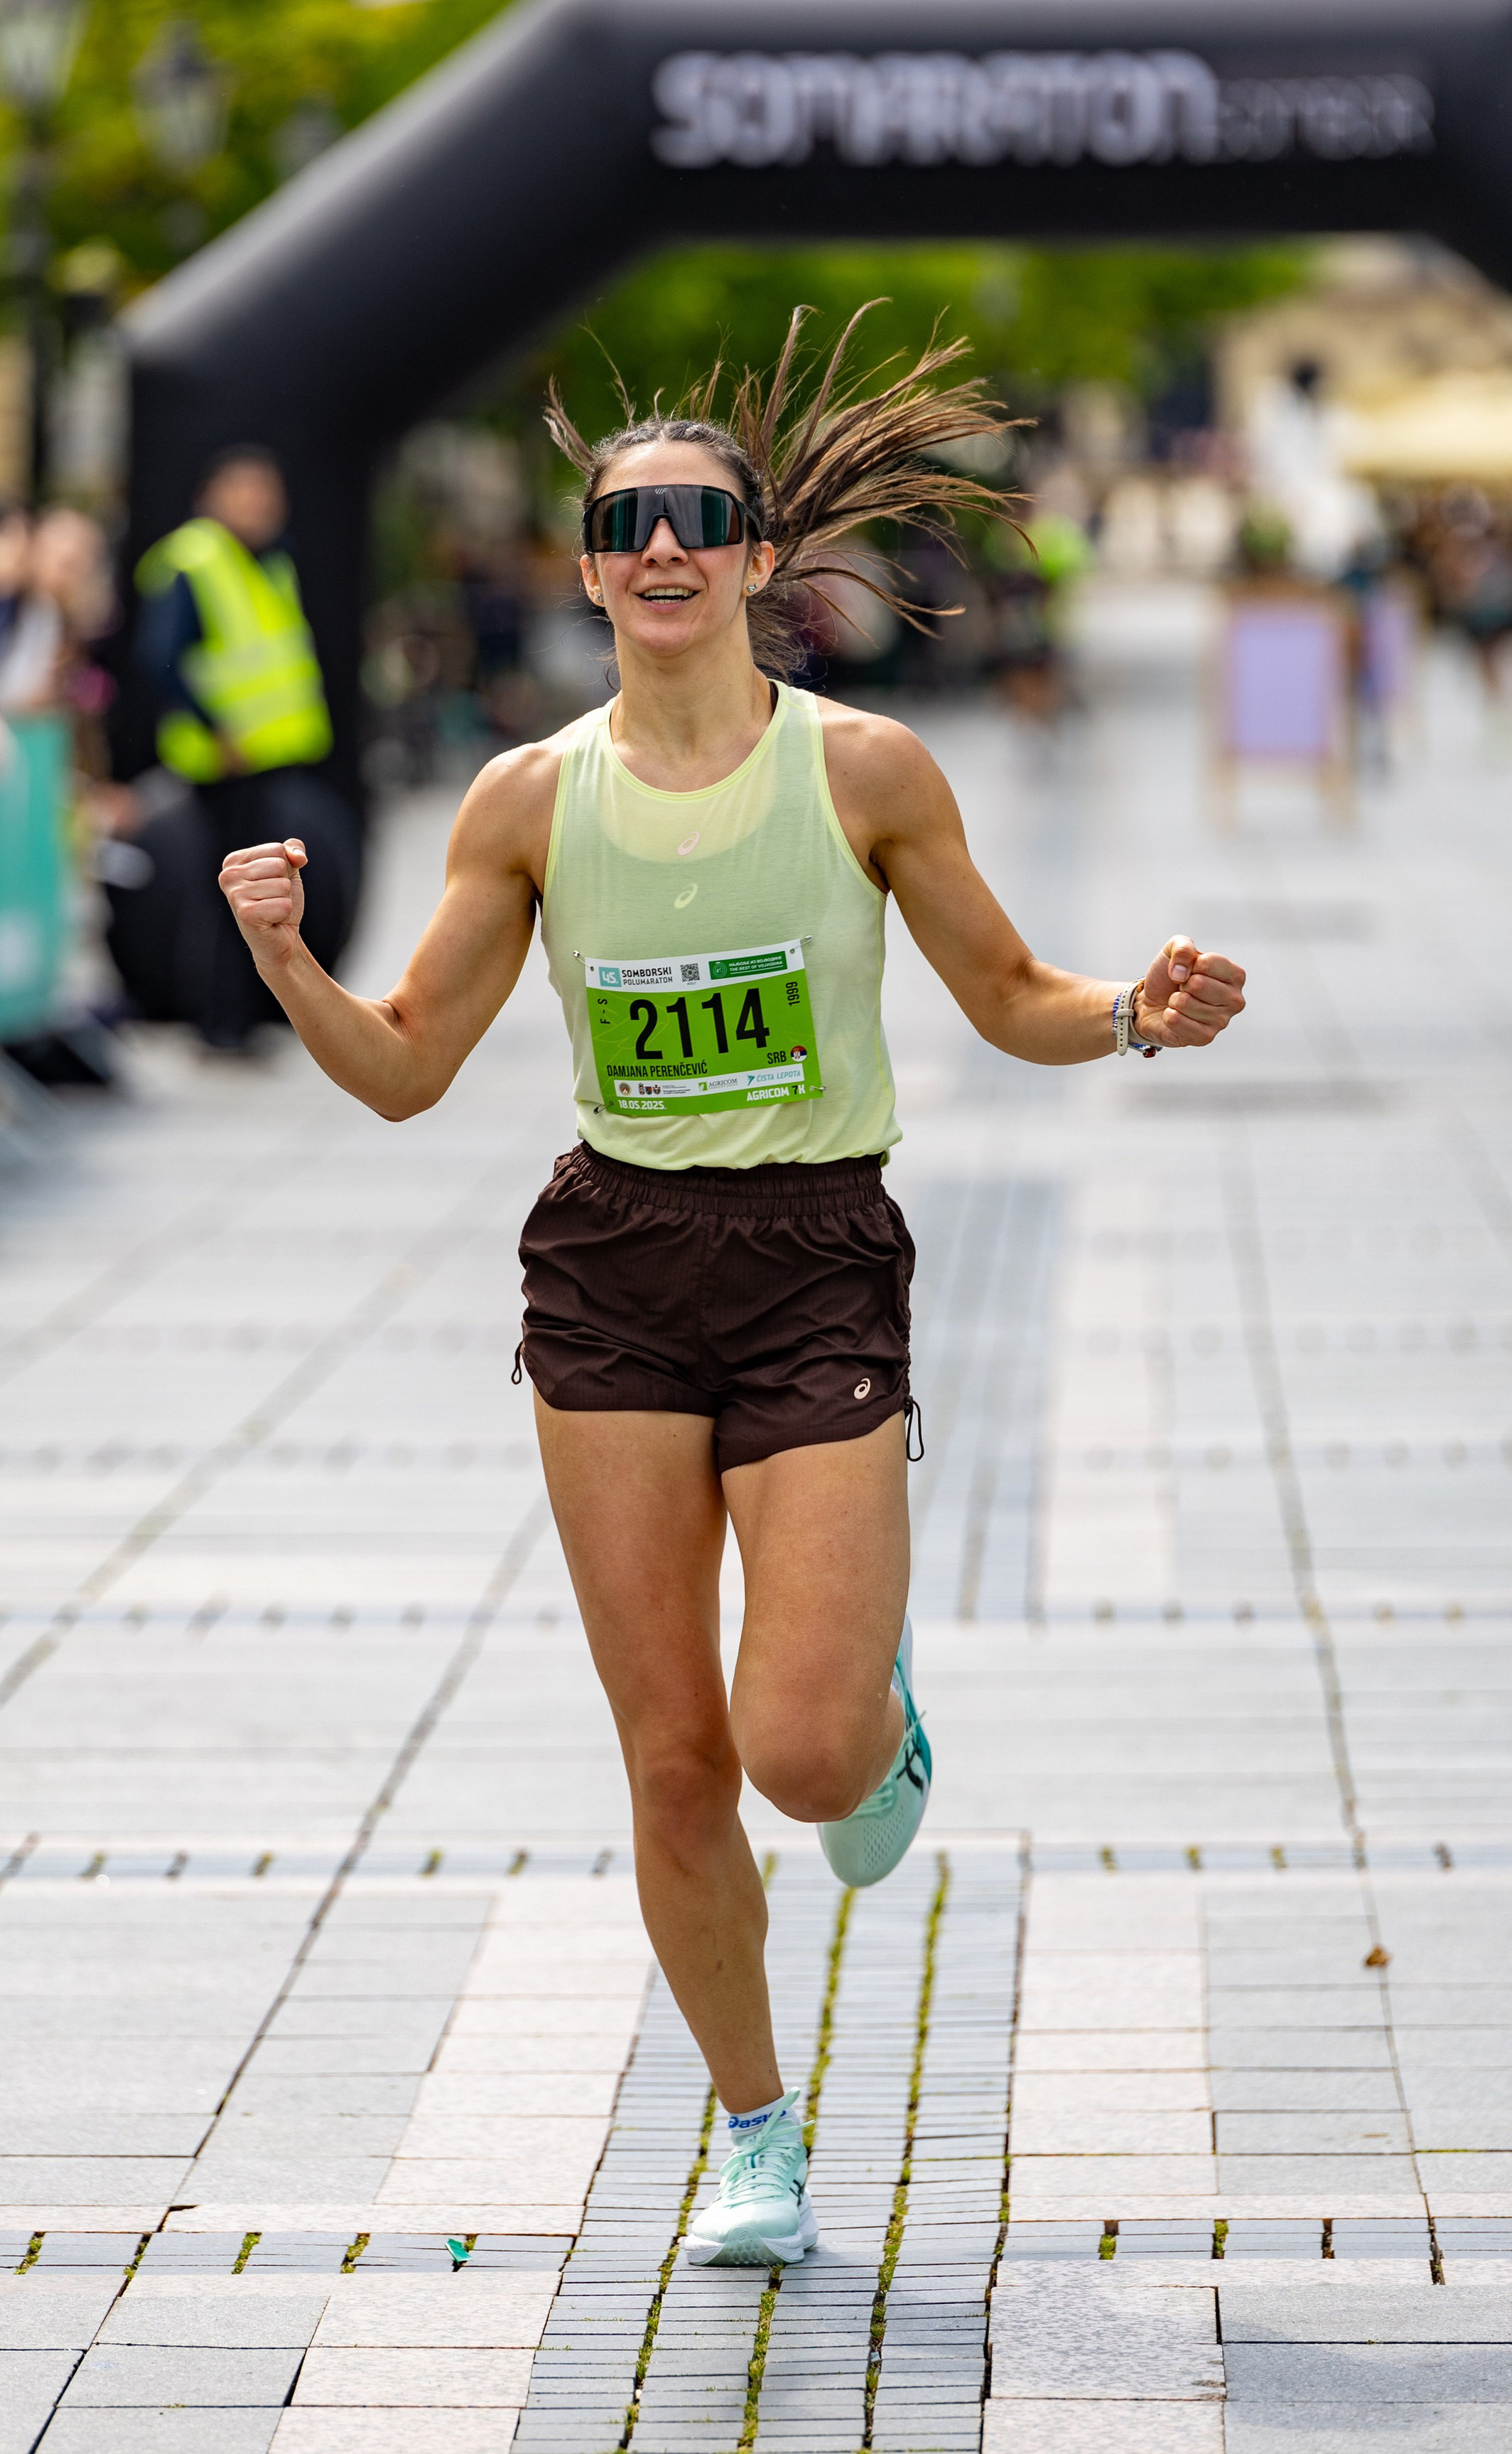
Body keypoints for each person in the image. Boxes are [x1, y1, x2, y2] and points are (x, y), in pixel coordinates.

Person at [217, 315, 1247, 2270]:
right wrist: (284, 965)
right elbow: (409, 1065)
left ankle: (879, 1722)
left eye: (702, 518)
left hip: (813, 1265)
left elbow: (1011, 999)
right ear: (591, 565)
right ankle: (757, 2133)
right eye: (627, 524)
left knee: (799, 1746)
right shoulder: (525, 798)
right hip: (613, 1271)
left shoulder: (863, 770)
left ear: (761, 558)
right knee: (676, 1755)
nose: (664, 549)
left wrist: (1130, 1013)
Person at [136, 445, 359, 1044]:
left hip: (266, 758)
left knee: (256, 892)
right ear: (212, 497)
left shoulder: (268, 562)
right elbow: (160, 660)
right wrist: (216, 730)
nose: (261, 505)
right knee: (227, 896)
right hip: (223, 763)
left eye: (269, 494)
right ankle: (220, 1020)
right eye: (247, 492)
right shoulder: (195, 560)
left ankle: (241, 1014)